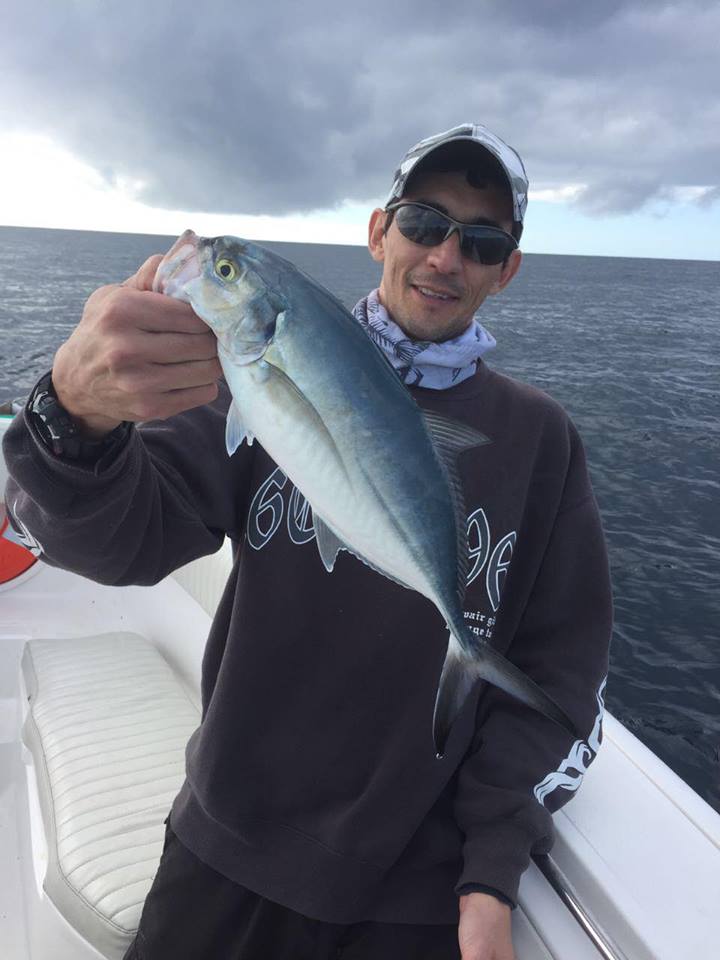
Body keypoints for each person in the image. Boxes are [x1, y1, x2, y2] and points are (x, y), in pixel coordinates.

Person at [2, 123, 612, 960]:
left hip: (419, 890)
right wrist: (72, 416)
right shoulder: (235, 381)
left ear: (506, 269)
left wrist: (490, 870)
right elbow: (121, 545)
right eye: (424, 223)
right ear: (379, 232)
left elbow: (561, 669)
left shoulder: (538, 440)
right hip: (227, 845)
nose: (445, 257)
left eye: (482, 242)